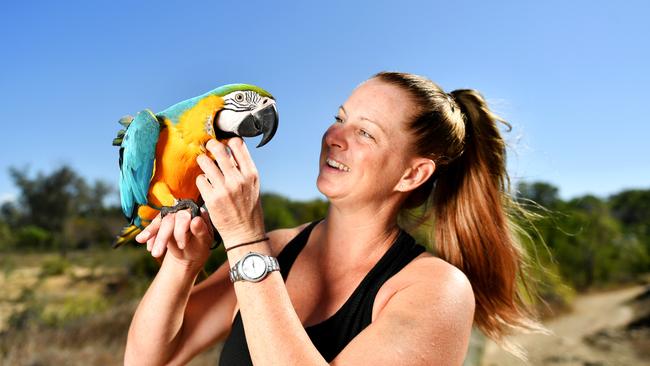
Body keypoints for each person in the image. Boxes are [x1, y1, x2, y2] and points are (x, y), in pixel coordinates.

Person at [124, 71, 547, 365]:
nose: (335, 137)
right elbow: (150, 360)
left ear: (413, 173)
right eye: (339, 119)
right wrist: (183, 265)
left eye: (366, 132)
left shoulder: (437, 291)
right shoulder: (279, 249)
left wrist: (245, 239)